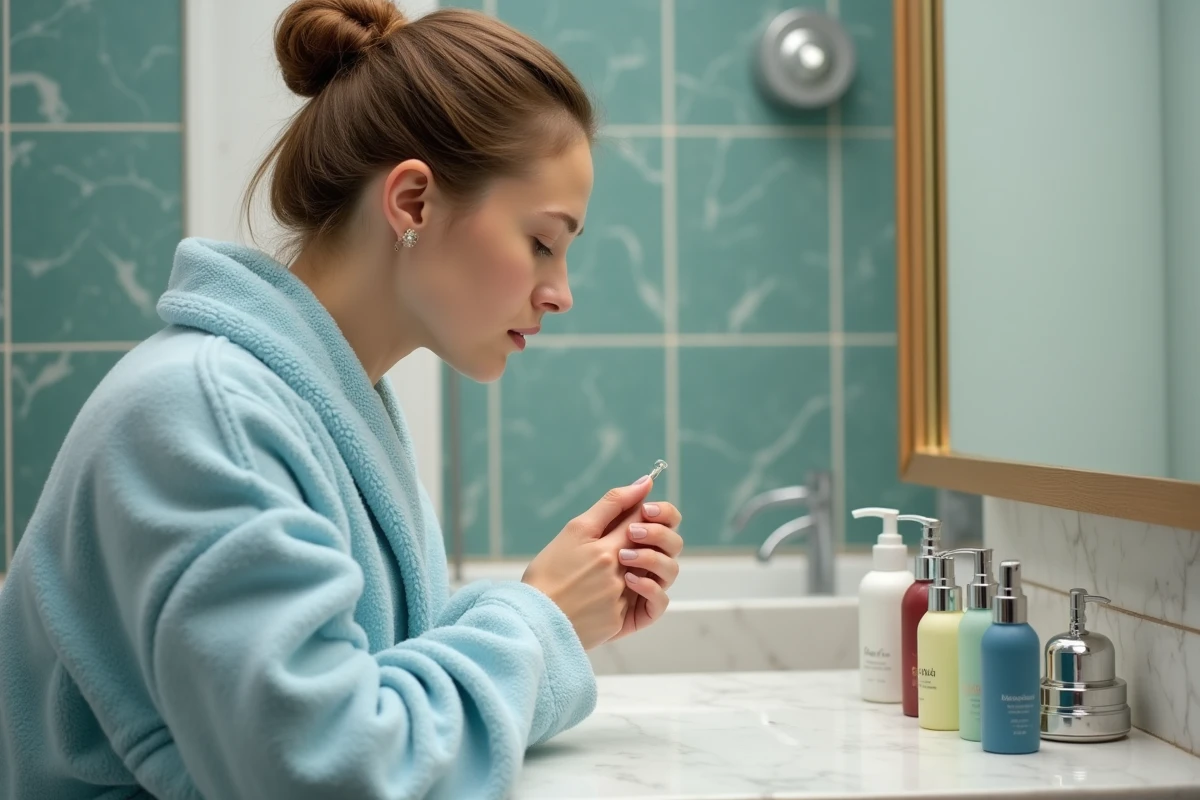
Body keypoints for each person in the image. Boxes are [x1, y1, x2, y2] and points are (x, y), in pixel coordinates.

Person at [0, 1, 684, 797]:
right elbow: (331, 769)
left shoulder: (323, 405)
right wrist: (540, 619)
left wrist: (554, 599)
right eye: (541, 241)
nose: (561, 293)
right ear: (414, 202)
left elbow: (361, 684)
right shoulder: (199, 415)